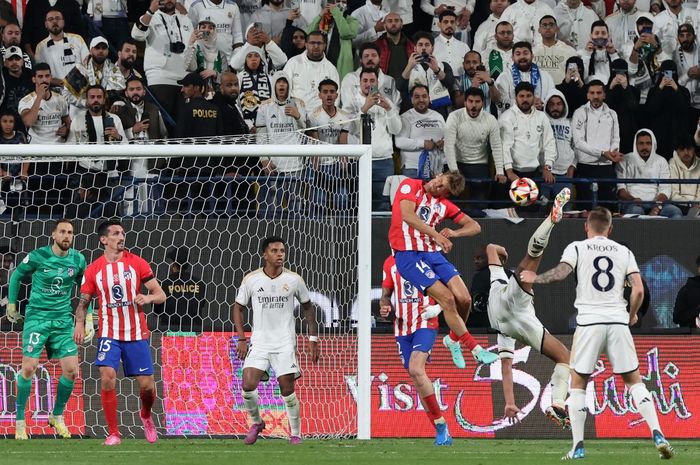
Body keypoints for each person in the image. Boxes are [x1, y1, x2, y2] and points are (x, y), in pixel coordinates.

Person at [520, 207, 674, 460]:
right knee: (634, 382)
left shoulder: (577, 247)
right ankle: (658, 434)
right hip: (617, 322)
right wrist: (630, 315)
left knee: (578, 384)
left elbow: (561, 273)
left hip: (589, 322)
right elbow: (638, 291)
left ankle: (578, 447)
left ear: (586, 227)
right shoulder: (624, 252)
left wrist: (535, 278)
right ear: (610, 229)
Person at [388, 171, 498, 368]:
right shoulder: (410, 185)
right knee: (447, 299)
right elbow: (407, 215)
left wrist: (455, 232)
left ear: (445, 194)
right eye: (439, 181)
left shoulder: (443, 205)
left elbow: (475, 226)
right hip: (408, 254)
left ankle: (453, 340)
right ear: (439, 174)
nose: (437, 185)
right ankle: (475, 348)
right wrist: (437, 236)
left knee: (464, 299)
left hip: (431, 253)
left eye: (442, 188)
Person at [484, 187, 572, 428]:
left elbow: (506, 367)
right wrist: (502, 251)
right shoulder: (498, 278)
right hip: (520, 314)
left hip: (505, 323)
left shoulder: (495, 286)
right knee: (565, 358)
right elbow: (491, 247)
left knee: (529, 263)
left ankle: (559, 406)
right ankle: (557, 402)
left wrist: (509, 402)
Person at [74, 219, 166, 445]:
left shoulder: (137, 263)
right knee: (107, 377)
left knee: (146, 387)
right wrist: (79, 324)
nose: (121, 237)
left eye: (123, 233)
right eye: (115, 233)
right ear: (103, 240)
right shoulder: (94, 269)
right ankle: (114, 432)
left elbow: (161, 294)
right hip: (109, 332)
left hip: (136, 333)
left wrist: (148, 297)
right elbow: (83, 303)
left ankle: (145, 414)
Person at [6, 219, 91, 440]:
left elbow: (86, 290)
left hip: (62, 320)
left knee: (72, 370)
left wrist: (87, 318)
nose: (66, 236)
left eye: (70, 233)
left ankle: (57, 416)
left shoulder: (78, 259)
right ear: (53, 234)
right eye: (62, 232)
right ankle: (20, 422)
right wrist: (12, 304)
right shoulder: (38, 256)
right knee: (29, 368)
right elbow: (16, 276)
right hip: (37, 318)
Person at [233, 235, 319, 445]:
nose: (280, 254)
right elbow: (238, 307)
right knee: (247, 384)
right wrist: (242, 338)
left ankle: (296, 433)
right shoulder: (251, 279)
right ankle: (256, 423)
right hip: (260, 342)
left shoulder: (294, 279)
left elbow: (308, 307)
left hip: (284, 343)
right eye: (274, 251)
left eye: (282, 251)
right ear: (264, 255)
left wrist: (313, 338)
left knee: (287, 390)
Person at [379, 255, 451, 446]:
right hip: (402, 329)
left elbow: (450, 292)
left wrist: (438, 309)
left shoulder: (428, 258)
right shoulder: (390, 262)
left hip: (425, 322)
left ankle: (442, 426)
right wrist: (385, 307)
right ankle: (440, 428)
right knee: (416, 377)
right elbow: (385, 296)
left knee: (416, 369)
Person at [444, 87, 504, 206]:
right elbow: (448, 145)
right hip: (457, 164)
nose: (473, 105)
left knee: (480, 204)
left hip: (480, 165)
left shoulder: (491, 120)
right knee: (454, 204)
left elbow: (496, 146)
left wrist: (500, 171)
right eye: (470, 101)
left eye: (477, 102)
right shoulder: (454, 116)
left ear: (483, 103)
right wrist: (454, 171)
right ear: (465, 102)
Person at [571, 80, 622, 210]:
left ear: (604, 95)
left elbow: (616, 138)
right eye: (592, 93)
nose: (595, 96)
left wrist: (613, 152)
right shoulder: (580, 112)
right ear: (587, 95)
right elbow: (578, 142)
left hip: (606, 168)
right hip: (586, 168)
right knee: (586, 210)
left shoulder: (613, 114)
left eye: (599, 93)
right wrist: (602, 153)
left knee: (609, 210)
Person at [616, 129, 683, 218]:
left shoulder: (661, 161)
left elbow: (665, 189)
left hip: (657, 203)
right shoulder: (625, 160)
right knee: (636, 211)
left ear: (653, 144)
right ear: (636, 144)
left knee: (675, 212)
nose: (644, 147)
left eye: (648, 143)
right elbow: (620, 189)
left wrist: (657, 207)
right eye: (641, 143)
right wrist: (632, 199)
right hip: (632, 203)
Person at [499, 82, 557, 184]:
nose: (525, 99)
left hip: (535, 174)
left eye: (528, 96)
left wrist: (548, 167)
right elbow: (505, 146)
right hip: (513, 173)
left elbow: (549, 142)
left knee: (534, 200)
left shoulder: (542, 117)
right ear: (515, 98)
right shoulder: (507, 117)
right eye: (521, 96)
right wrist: (509, 172)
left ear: (534, 97)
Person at [283, 30, 340, 113]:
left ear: (324, 45)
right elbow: (284, 90)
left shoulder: (331, 69)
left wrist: (328, 116)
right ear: (306, 45)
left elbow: (335, 97)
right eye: (312, 43)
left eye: (319, 43)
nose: (316, 46)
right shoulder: (293, 62)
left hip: (321, 118)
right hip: (295, 114)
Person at [395, 84, 446, 178]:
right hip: (413, 169)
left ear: (429, 98)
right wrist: (423, 143)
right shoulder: (405, 117)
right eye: (417, 97)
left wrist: (444, 143)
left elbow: (446, 137)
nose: (421, 100)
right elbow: (399, 142)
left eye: (424, 96)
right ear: (412, 99)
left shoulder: (438, 116)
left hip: (436, 170)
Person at [492, 41, 555, 115]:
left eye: (525, 53)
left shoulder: (545, 76)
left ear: (532, 55)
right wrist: (529, 103)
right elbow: (500, 104)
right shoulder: (504, 76)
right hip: (512, 121)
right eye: (518, 54)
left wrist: (542, 104)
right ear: (512, 57)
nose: (522, 57)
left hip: (540, 120)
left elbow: (553, 100)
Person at [154, 246, 206, 331]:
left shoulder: (165, 284)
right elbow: (201, 305)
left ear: (173, 263)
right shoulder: (199, 284)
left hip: (169, 332)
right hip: (193, 332)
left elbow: (156, 311)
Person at [34, 9, 89, 85]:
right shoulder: (41, 47)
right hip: (55, 89)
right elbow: (41, 74)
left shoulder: (77, 39)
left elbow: (88, 65)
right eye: (50, 19)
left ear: (63, 22)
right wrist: (60, 83)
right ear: (46, 24)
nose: (54, 22)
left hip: (80, 87)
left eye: (57, 18)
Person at [542, 90, 575, 206]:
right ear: (546, 105)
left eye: (558, 104)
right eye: (551, 104)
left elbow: (576, 147)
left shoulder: (570, 123)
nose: (555, 107)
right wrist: (544, 169)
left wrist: (571, 168)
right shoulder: (542, 121)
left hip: (564, 177)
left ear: (564, 105)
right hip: (544, 177)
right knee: (541, 212)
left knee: (565, 214)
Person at [533, 15, 577, 85]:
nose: (548, 27)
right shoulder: (533, 52)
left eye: (551, 25)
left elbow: (574, 77)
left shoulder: (570, 51)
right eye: (544, 25)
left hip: (563, 91)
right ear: (539, 30)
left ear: (557, 29)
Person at [579, 20, 620, 85]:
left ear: (608, 36)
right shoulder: (581, 54)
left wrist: (613, 55)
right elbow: (582, 77)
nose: (600, 36)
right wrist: (587, 55)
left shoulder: (616, 53)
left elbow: (619, 75)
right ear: (591, 35)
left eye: (603, 33)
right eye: (597, 33)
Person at [432, 10, 470, 79]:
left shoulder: (464, 47)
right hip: (437, 85)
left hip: (460, 86)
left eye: (452, 22)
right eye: (446, 22)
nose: (449, 25)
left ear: (455, 25)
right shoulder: (432, 45)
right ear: (439, 25)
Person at [669, 136, 700, 216]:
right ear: (677, 151)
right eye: (682, 149)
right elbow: (673, 194)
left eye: (689, 149)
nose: (686, 153)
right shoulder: (672, 163)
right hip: (678, 205)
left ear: (694, 150)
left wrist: (696, 204)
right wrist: (690, 204)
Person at [673, 254, 700, 328]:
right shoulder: (686, 291)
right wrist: (697, 310)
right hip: (693, 336)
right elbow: (677, 318)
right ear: (699, 269)